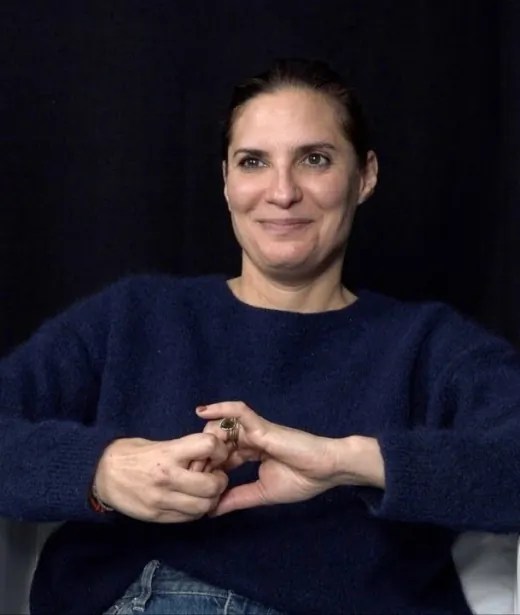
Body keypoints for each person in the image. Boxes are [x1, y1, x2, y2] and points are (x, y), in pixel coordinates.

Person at [1, 58, 520, 615]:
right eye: (253, 162)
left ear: (365, 176)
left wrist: (347, 460)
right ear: (226, 181)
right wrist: (99, 471)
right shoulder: (134, 315)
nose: (282, 192)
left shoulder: (431, 347)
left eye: (315, 159)